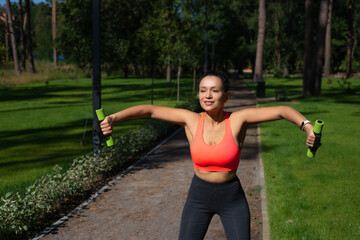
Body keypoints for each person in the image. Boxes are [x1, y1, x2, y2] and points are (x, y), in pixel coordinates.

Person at [99, 70, 316, 240]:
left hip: (232, 198)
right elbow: (149, 110)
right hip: (198, 197)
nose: (208, 95)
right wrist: (113, 118)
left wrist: (307, 126)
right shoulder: (191, 119)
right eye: (203, 90)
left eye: (214, 90)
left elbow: (282, 111)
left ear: (226, 95)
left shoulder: (238, 119)